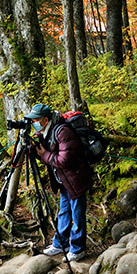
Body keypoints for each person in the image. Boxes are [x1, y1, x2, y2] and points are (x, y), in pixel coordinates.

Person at [31, 103, 93, 262]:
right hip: (64, 181)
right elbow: (47, 154)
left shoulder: (62, 131)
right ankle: (60, 244)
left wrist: (44, 155)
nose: (34, 124)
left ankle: (78, 249)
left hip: (76, 178)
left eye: (36, 120)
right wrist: (35, 148)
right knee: (64, 212)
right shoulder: (46, 131)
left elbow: (64, 159)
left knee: (77, 214)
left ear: (45, 120)